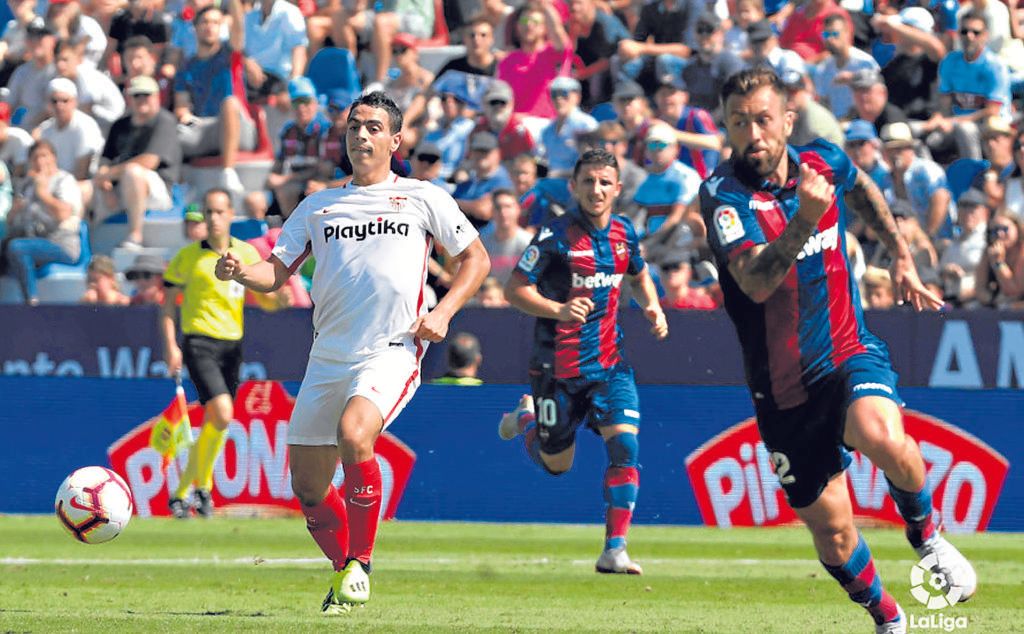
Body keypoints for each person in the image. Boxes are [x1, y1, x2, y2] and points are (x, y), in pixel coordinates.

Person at [699, 66, 975, 634]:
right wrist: (804, 218)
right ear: (727, 128)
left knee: (884, 438)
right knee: (835, 531)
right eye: (739, 122)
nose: (754, 134)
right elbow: (754, 282)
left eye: (764, 120)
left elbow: (863, 186)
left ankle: (927, 538)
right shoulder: (723, 196)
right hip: (782, 390)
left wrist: (899, 251)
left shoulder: (824, 159)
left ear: (788, 121)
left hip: (847, 351)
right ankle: (888, 616)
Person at [212, 91, 490, 614]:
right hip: (327, 355)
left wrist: (444, 312)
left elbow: (475, 260)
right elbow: (275, 274)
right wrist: (239, 272)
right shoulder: (319, 204)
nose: (361, 135)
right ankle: (345, 574)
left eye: (373, 127)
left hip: (392, 349)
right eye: (354, 126)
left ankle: (360, 561)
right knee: (308, 487)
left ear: (395, 139)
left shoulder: (422, 197)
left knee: (354, 434)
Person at [500, 148, 669, 576]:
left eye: (604, 182)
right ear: (574, 186)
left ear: (617, 188)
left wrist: (653, 307)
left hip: (610, 366)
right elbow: (514, 290)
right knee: (558, 464)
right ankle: (526, 419)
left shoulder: (624, 232)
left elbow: (639, 273)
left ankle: (614, 549)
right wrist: (558, 310)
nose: (596, 189)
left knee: (625, 446)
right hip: (557, 369)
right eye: (588, 181)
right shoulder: (554, 237)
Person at [161, 187, 262, 519]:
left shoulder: (246, 253)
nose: (214, 218)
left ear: (231, 214)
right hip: (198, 340)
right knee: (222, 412)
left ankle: (186, 493)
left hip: (232, 344)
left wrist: (279, 299)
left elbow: (266, 293)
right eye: (209, 212)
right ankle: (199, 488)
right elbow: (167, 305)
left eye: (220, 212)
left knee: (217, 420)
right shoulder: (188, 257)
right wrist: (171, 345)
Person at [93, 75, 181, 250]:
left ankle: (135, 235)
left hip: (156, 192)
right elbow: (105, 159)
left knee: (133, 172)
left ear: (157, 96)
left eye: (146, 94)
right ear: (129, 98)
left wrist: (107, 175)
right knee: (82, 189)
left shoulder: (165, 121)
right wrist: (105, 184)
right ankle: (79, 247)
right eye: (136, 95)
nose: (141, 99)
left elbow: (150, 161)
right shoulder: (119, 124)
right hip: (117, 189)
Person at [3, 140, 83, 305]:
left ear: (54, 158)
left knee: (17, 248)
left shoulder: (65, 180)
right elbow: (11, 221)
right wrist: (15, 209)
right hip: (31, 240)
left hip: (60, 244)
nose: (40, 161)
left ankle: (31, 301)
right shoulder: (26, 185)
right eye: (35, 157)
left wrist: (42, 193)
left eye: (44, 156)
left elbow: (63, 214)